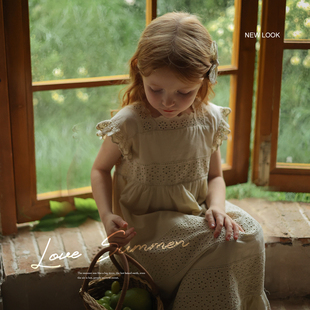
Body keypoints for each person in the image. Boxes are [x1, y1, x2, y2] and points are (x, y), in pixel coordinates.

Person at [91, 12, 270, 309]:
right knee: (222, 246)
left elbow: (215, 177)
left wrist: (216, 207)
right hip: (147, 230)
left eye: (184, 92)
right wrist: (107, 215)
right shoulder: (131, 123)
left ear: (205, 78)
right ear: (140, 72)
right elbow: (99, 169)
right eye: (155, 89)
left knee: (249, 233)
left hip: (195, 213)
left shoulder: (209, 119)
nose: (167, 102)